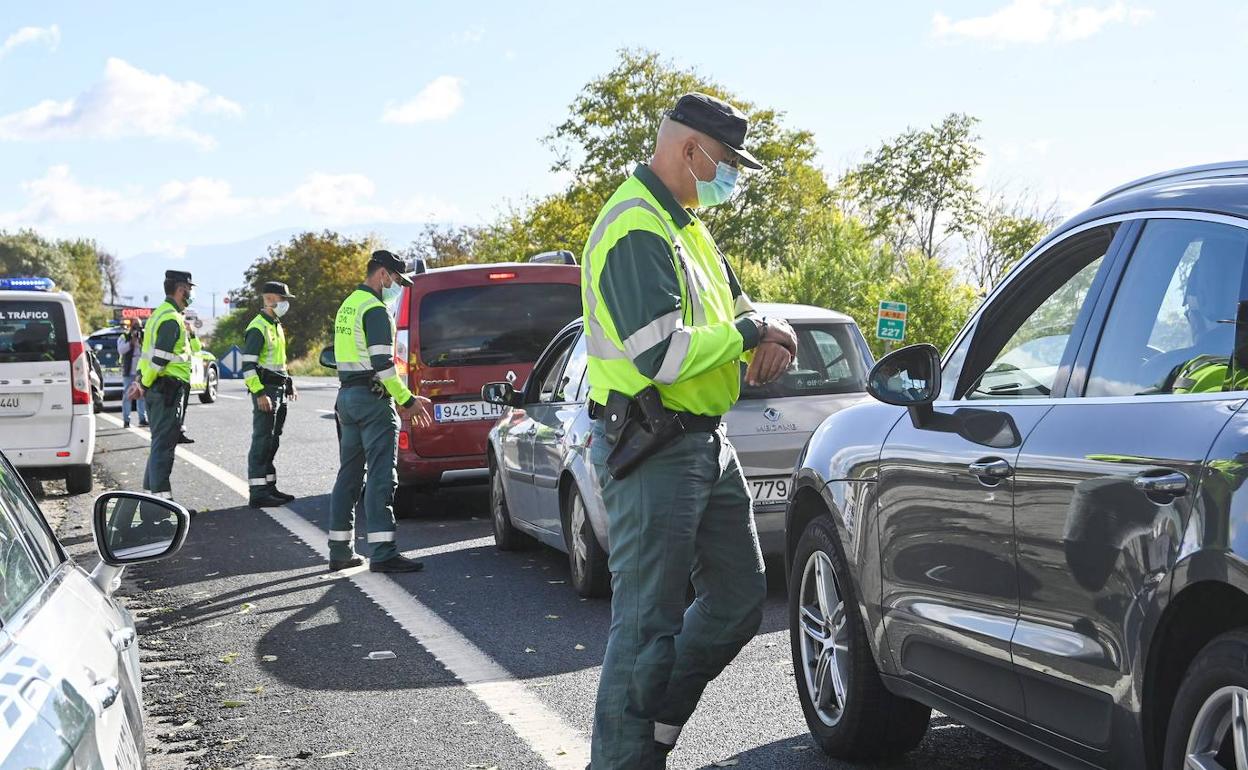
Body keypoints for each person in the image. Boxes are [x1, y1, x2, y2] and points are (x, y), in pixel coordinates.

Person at [581, 93, 797, 768]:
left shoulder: (688, 225)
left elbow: (739, 306)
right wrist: (747, 332)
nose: (729, 175)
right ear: (688, 150)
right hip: (653, 448)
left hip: (705, 439)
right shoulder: (636, 226)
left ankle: (652, 731)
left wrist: (770, 327)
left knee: (736, 601)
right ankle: (623, 758)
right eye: (726, 162)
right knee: (646, 627)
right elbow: (662, 354)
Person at [326, 250, 434, 573]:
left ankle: (340, 550)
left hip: (347, 397)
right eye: (397, 280)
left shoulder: (348, 305)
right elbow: (384, 366)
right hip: (373, 402)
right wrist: (407, 400)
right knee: (381, 476)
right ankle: (383, 551)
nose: (398, 286)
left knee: (349, 475)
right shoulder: (374, 310)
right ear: (383, 274)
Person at [127, 270, 198, 509]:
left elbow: (146, 358)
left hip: (160, 388)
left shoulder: (160, 315)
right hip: (168, 390)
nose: (191, 293)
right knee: (163, 448)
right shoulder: (171, 319)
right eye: (190, 288)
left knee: (158, 445)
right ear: (181, 289)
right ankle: (163, 510)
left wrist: (140, 381)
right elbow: (159, 360)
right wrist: (143, 384)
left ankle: (151, 502)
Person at [241, 281, 298, 508]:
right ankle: (258, 492)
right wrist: (259, 393)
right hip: (266, 391)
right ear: (270, 299)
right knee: (262, 440)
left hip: (279, 389)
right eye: (282, 299)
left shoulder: (275, 324)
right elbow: (248, 367)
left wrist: (289, 382)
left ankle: (269, 486)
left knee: (273, 439)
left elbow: (278, 362)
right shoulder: (258, 327)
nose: (285, 304)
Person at [116, 321, 147, 427]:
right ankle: (126, 420)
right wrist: (131, 342)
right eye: (134, 326)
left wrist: (141, 340)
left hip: (141, 371)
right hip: (129, 371)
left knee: (142, 395)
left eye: (138, 326)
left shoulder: (144, 336)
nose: (136, 329)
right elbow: (121, 350)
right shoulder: (124, 337)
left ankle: (142, 418)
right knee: (127, 395)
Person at [177, 319, 201, 444]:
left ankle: (179, 433)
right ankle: (171, 435)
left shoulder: (186, 334)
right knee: (175, 408)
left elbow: (197, 348)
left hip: (185, 375)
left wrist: (192, 333)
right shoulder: (173, 330)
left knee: (183, 407)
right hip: (174, 376)